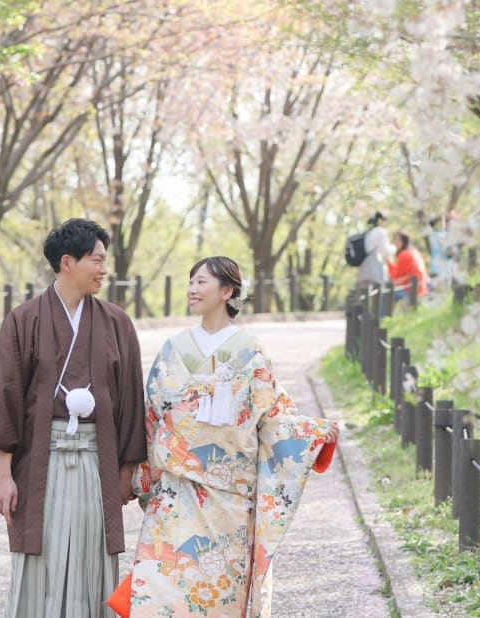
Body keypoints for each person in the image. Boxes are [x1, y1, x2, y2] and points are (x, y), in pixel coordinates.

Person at [124, 256, 339, 617]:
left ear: (227, 291)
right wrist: (143, 474)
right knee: (157, 591)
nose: (192, 288)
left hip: (229, 496)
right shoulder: (172, 349)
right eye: (190, 281)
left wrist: (313, 432)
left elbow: (270, 416)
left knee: (220, 596)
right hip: (178, 490)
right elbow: (153, 414)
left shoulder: (250, 350)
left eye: (202, 282)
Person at [0, 218, 147, 617]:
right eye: (96, 260)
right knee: (40, 553)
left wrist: (127, 472)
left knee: (91, 552)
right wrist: (4, 476)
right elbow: (4, 396)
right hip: (40, 463)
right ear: (67, 262)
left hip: (98, 461)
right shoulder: (25, 319)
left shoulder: (116, 323)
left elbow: (130, 399)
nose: (103, 269)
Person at [388, 231, 429, 302]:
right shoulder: (414, 251)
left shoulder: (404, 254)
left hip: (412, 291)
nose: (395, 243)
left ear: (403, 241)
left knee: (386, 295)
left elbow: (396, 278)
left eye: (397, 240)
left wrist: (388, 263)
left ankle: (381, 313)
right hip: (421, 289)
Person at [356, 210, 389, 289]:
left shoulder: (367, 232)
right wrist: (395, 248)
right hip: (374, 267)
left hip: (363, 267)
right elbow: (385, 250)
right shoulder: (381, 232)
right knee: (378, 295)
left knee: (363, 296)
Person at [427, 216, 453, 289]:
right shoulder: (441, 235)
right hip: (442, 272)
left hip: (436, 270)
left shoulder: (433, 236)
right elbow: (449, 253)